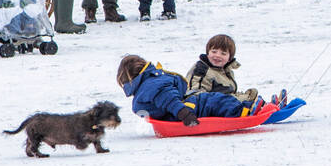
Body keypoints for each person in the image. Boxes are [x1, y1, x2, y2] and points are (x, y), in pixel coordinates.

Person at [116, 55, 264, 125]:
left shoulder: (145, 88)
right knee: (213, 100)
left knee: (212, 99)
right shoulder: (153, 84)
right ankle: (245, 111)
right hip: (183, 112)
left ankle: (248, 104)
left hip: (177, 111)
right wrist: (184, 113)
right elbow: (170, 100)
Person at [186, 33, 288, 105]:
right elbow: (194, 95)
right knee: (236, 101)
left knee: (250, 94)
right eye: (214, 51)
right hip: (209, 106)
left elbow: (230, 92)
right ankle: (256, 109)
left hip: (225, 103)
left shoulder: (225, 71)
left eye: (223, 53)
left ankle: (270, 107)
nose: (217, 56)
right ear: (208, 52)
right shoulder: (201, 69)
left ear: (229, 58)